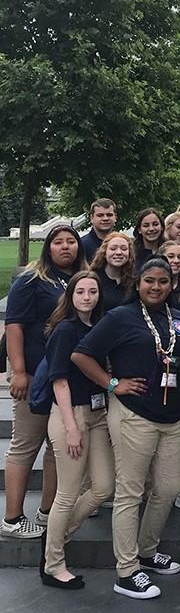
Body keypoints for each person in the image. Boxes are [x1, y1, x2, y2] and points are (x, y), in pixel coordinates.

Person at [72, 257, 180, 600]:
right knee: (130, 491)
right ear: (138, 282)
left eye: (163, 281)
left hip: (171, 416)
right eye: (150, 281)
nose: (156, 287)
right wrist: (111, 384)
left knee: (168, 488)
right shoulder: (120, 317)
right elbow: (82, 355)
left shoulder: (178, 318)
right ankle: (126, 570)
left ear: (172, 284)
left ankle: (147, 551)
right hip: (133, 415)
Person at [2, 225, 86, 540]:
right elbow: (14, 327)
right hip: (35, 373)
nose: (66, 247)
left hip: (64, 376)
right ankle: (11, 518)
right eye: (58, 242)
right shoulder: (31, 280)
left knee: (56, 448)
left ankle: (48, 511)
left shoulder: (78, 279)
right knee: (25, 445)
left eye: (71, 242)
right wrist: (20, 371)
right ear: (47, 248)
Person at [42, 270, 113, 589]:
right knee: (68, 493)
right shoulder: (65, 330)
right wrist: (71, 426)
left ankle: (56, 536)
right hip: (71, 416)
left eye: (93, 291)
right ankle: (53, 564)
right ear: (70, 295)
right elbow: (59, 380)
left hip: (98, 415)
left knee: (103, 486)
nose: (87, 297)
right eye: (81, 291)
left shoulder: (98, 327)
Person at [90, 232, 135, 312]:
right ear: (104, 252)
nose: (118, 253)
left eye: (124, 249)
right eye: (113, 249)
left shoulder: (134, 280)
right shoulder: (93, 279)